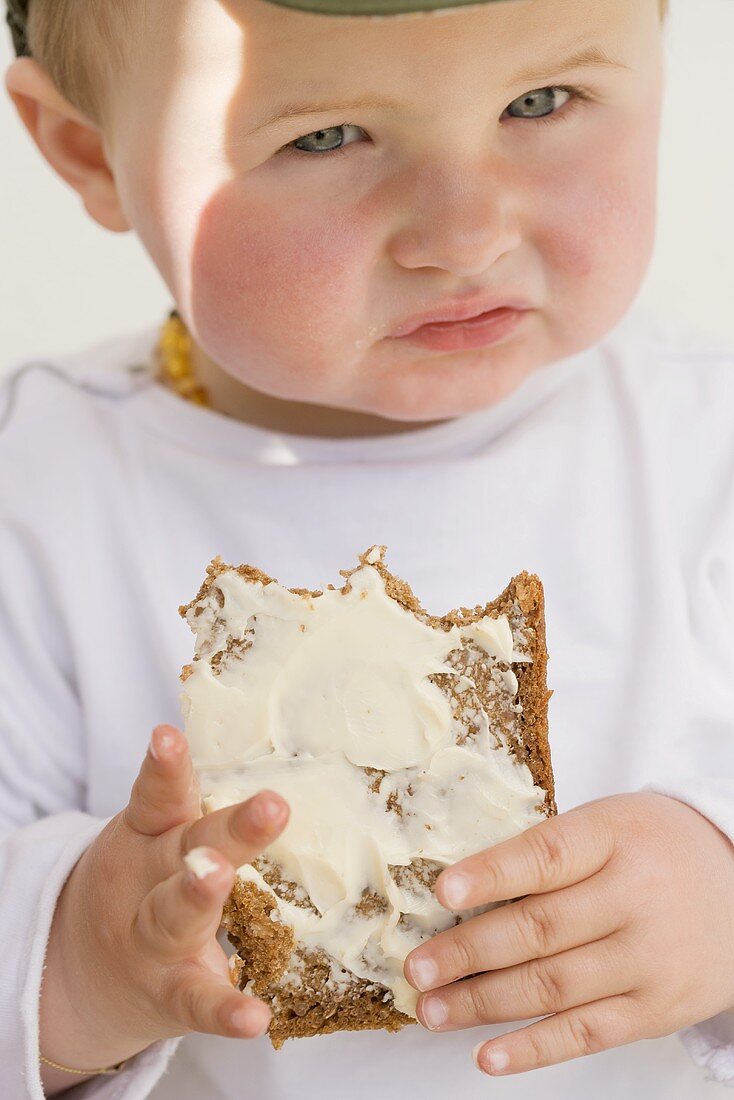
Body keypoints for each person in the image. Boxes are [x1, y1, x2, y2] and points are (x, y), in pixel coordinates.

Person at [2, 0, 734, 1096]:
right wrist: (82, 966)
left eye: (538, 101)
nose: (464, 232)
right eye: (323, 137)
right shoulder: (39, 495)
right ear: (88, 151)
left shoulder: (703, 448)